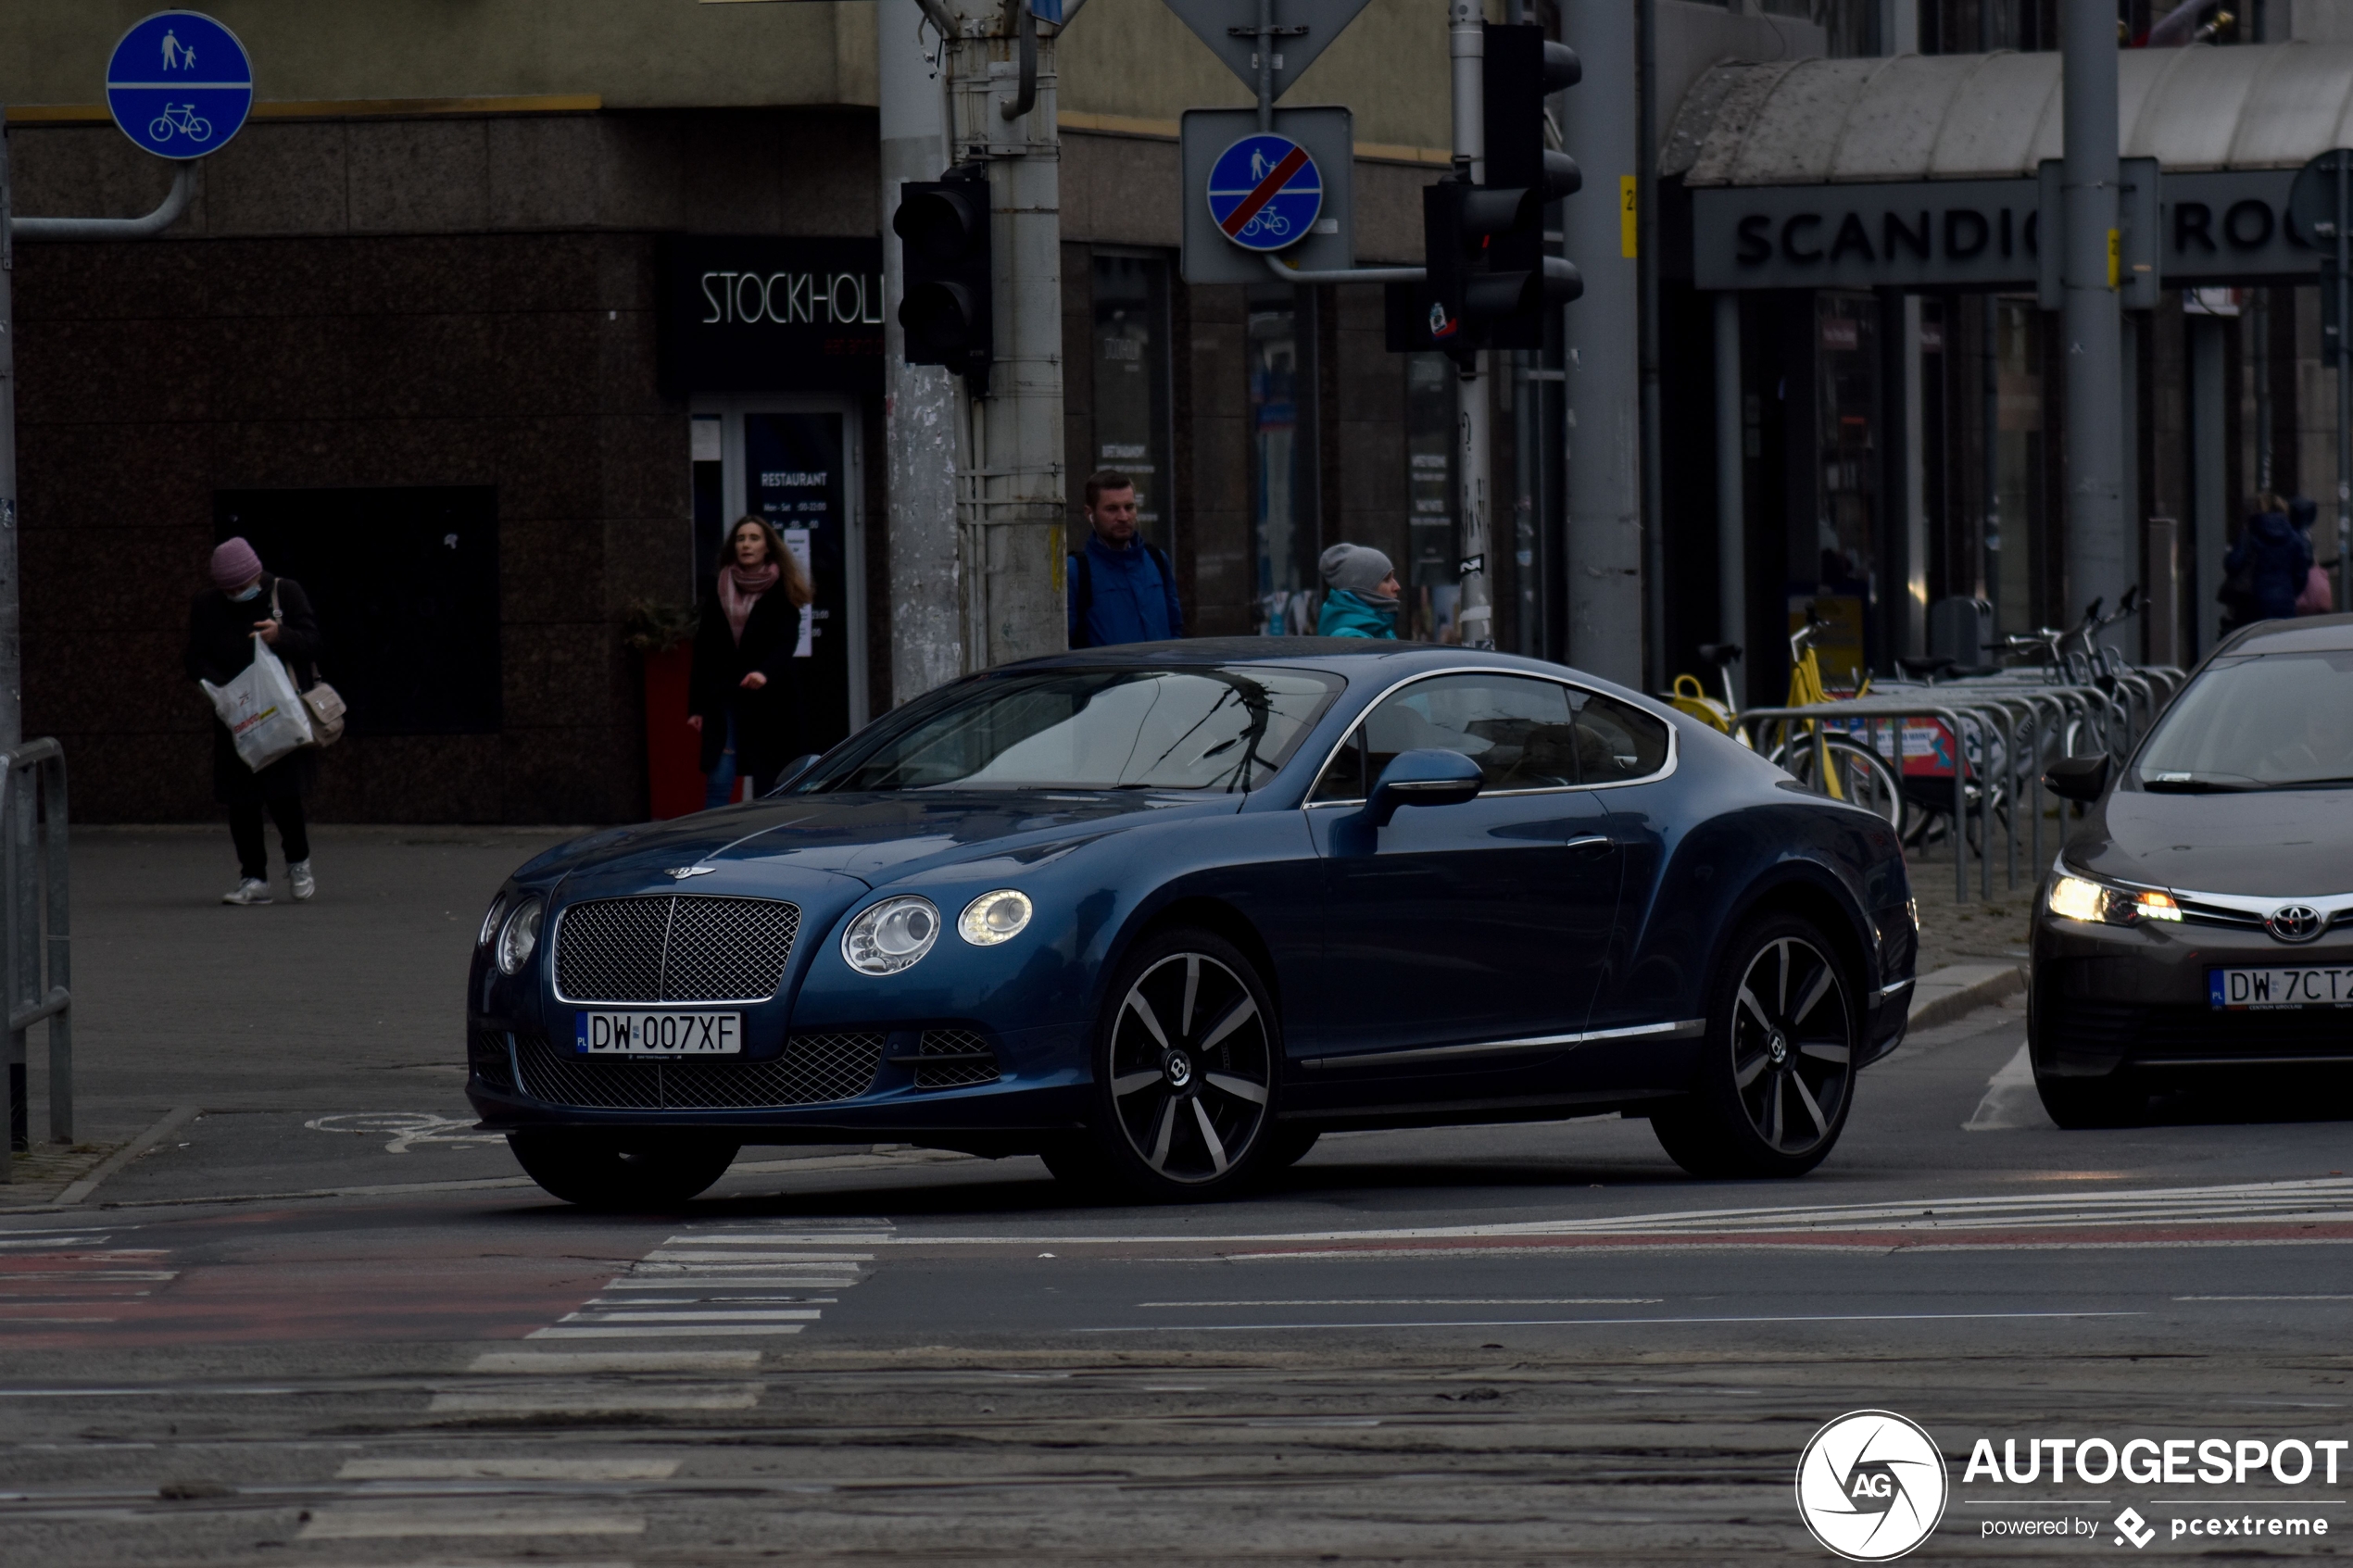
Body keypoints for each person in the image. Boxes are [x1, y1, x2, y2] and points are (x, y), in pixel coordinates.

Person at [185, 537, 322, 905]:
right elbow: (194, 658)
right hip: (236, 716)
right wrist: (220, 690)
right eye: (227, 588)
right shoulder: (207, 605)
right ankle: (253, 878)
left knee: (284, 796)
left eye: (241, 586)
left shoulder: (284, 593)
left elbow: (311, 642)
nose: (235, 593)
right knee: (240, 800)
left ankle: (298, 862)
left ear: (255, 576)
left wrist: (282, 636)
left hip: (278, 711)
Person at [688, 515, 812, 807]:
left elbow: (786, 642)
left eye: (754, 538)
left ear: (768, 547)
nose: (746, 544)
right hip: (724, 694)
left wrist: (764, 672)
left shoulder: (782, 590)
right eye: (741, 538)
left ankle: (764, 837)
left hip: (768, 697)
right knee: (720, 772)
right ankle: (712, 837)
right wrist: (695, 706)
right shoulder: (719, 588)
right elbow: (703, 649)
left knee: (767, 775)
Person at [1067, 470, 1183, 648]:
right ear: (1090, 514)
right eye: (1112, 509)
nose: (1123, 517)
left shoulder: (1157, 560)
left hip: (1160, 673)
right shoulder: (1077, 571)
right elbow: (1067, 643)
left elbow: (1175, 628)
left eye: (1129, 507)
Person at [2222, 497, 2312, 628]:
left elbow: (2232, 564)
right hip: (2284, 602)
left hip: (2252, 602)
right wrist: (2288, 592)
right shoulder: (2294, 538)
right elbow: (2301, 575)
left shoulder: (2249, 534)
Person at [1316, 544, 1402, 639]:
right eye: (1386, 579)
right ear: (1365, 587)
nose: (1397, 587)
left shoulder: (1383, 630)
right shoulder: (1349, 637)